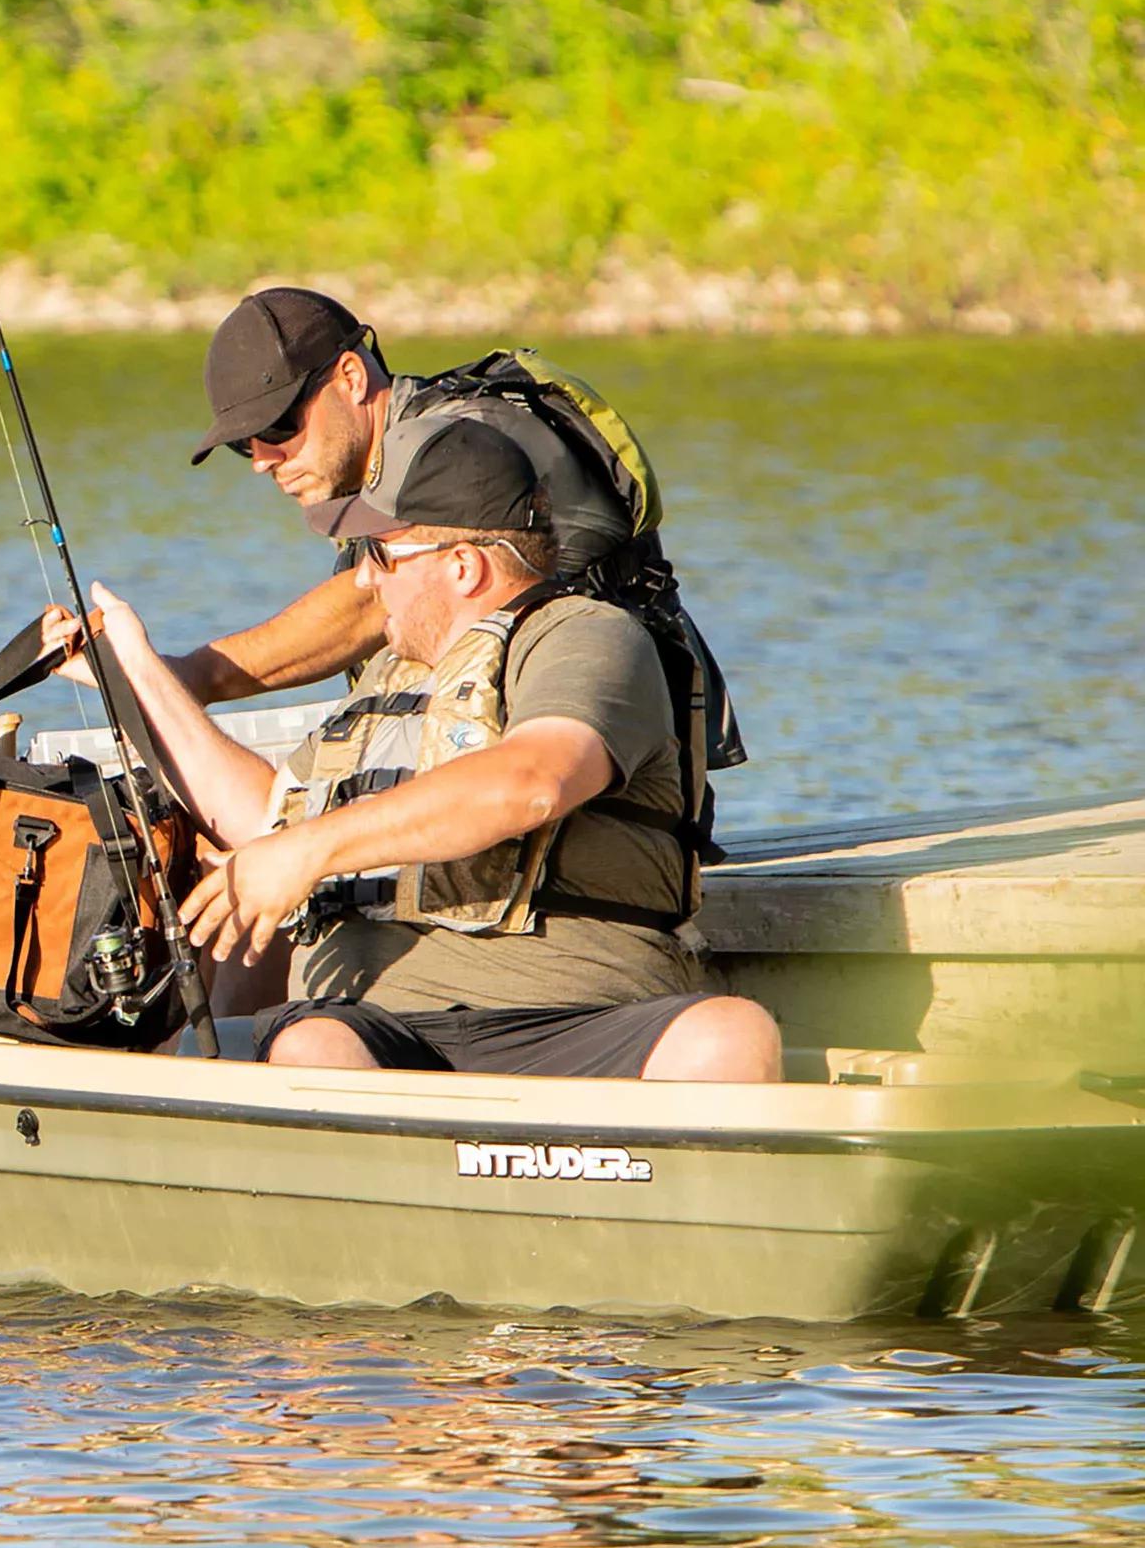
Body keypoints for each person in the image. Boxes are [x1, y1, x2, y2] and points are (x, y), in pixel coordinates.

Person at [46, 414, 781, 1082]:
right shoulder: (388, 678)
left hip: (582, 1022)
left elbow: (531, 781)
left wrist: (308, 852)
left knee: (730, 1034)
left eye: (379, 553)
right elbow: (270, 821)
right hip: (382, 1028)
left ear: (464, 565)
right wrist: (137, 671)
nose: (362, 578)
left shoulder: (583, 635)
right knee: (312, 1049)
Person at [170, 289, 740, 784]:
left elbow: (366, 607)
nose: (263, 460)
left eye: (278, 426)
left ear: (350, 378)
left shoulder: (457, 444)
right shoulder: (385, 473)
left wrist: (188, 677)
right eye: (245, 444)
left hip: (605, 784)